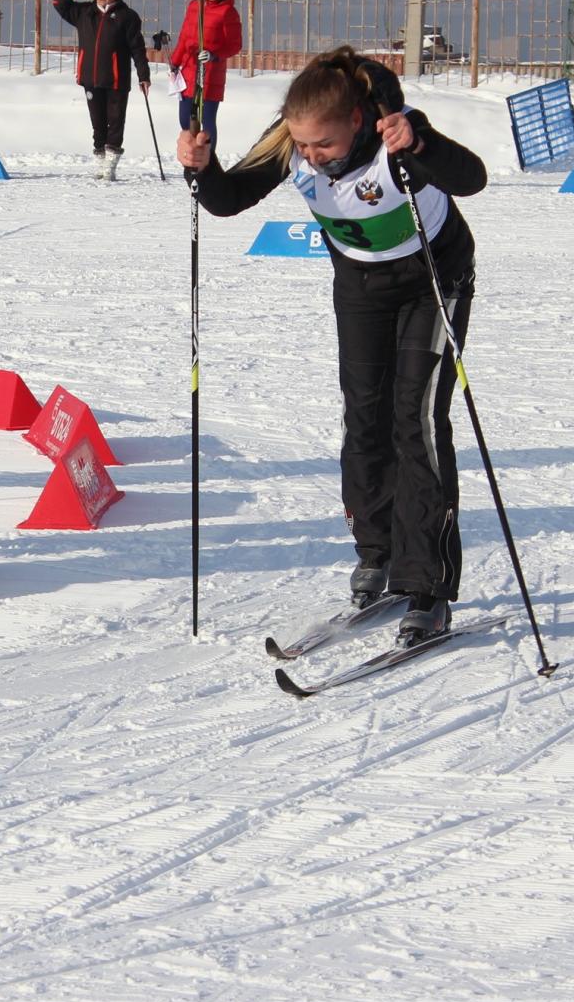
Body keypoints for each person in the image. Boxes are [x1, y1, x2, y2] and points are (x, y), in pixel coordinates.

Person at [175, 46, 488, 646]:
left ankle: (428, 586)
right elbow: (225, 199)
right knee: (364, 416)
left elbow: (471, 179)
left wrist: (419, 144)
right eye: (303, 145)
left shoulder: (393, 133)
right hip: (362, 282)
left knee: (416, 421)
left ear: (357, 122)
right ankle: (378, 555)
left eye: (324, 145)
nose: (311, 157)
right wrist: (201, 166)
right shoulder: (293, 140)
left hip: (433, 278)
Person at [52, 0, 151, 178]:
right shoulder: (84, 12)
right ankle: (100, 163)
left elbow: (137, 48)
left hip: (116, 79)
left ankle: (110, 167)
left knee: (115, 122)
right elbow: (59, 3)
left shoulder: (128, 16)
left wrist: (143, 75)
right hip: (90, 78)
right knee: (98, 123)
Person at [168, 0, 243, 141]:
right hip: (188, 70)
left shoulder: (227, 12)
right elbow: (185, 37)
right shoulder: (194, 7)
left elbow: (235, 44)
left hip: (210, 73)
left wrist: (214, 55)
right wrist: (175, 62)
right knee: (186, 119)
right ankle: (191, 159)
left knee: (207, 120)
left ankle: (208, 162)